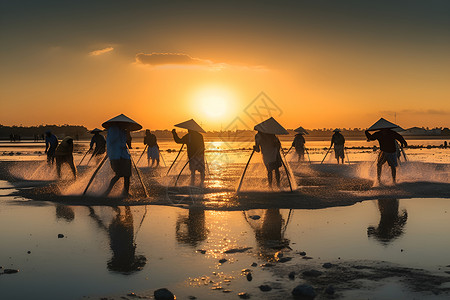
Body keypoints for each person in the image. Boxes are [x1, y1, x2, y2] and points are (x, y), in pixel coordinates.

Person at [172, 121, 205, 187]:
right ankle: (197, 184)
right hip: (195, 156)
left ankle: (197, 184)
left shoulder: (193, 136)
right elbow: (179, 141)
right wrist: (174, 134)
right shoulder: (195, 136)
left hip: (196, 156)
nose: (187, 130)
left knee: (197, 171)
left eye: (188, 128)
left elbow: (178, 141)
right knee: (198, 170)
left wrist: (174, 133)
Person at [104, 125, 132, 197]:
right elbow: (111, 141)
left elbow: (129, 144)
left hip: (125, 155)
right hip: (116, 156)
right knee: (118, 174)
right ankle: (108, 191)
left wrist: (128, 132)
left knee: (127, 176)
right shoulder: (113, 129)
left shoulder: (124, 132)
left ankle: (125, 193)